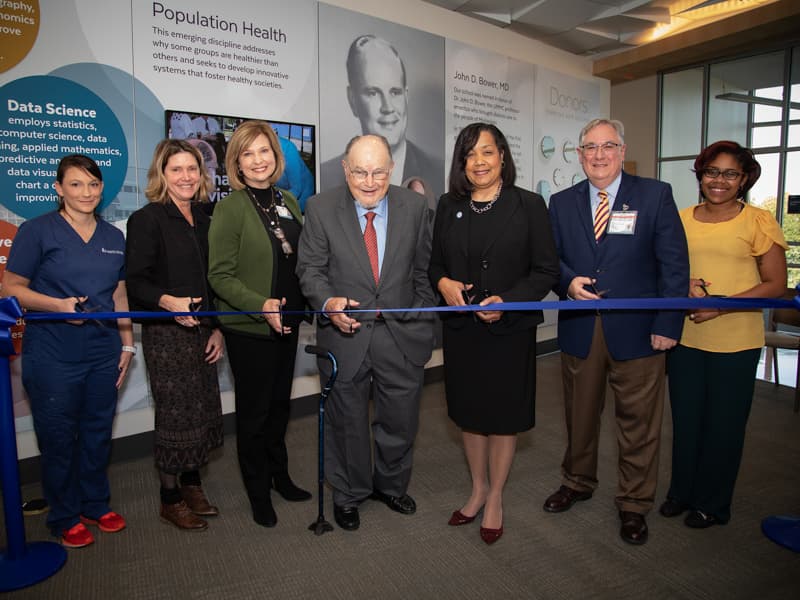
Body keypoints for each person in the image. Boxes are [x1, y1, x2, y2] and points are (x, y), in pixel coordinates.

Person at [546, 118, 689, 545]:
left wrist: (669, 323)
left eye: (608, 146)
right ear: (578, 154)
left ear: (623, 150)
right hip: (580, 329)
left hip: (642, 333)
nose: (599, 155)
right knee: (579, 416)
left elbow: (674, 265)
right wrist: (567, 282)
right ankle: (577, 481)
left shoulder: (655, 195)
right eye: (590, 147)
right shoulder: (560, 201)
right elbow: (549, 258)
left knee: (639, 424)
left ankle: (633, 503)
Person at [429, 123, 559, 544]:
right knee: (469, 414)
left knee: (502, 416)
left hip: (509, 330)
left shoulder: (530, 205)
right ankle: (477, 488)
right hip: (464, 331)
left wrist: (508, 300)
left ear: (503, 155)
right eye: (470, 154)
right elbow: (434, 266)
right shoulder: (449, 206)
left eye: (487, 152)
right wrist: (444, 284)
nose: (479, 162)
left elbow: (546, 270)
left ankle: (497, 495)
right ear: (461, 163)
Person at [297, 134, 435, 531]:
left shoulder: (416, 207)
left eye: (378, 172)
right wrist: (327, 304)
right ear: (345, 169)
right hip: (346, 336)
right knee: (346, 422)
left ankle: (391, 486)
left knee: (400, 420)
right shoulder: (320, 208)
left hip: (401, 337)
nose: (370, 181)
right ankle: (349, 493)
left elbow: (424, 270)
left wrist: (421, 316)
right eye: (360, 172)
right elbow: (310, 269)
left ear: (392, 170)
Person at [3, 154, 134, 548]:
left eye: (93, 184)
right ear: (59, 189)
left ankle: (95, 504)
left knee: (97, 432)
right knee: (59, 437)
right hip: (53, 352)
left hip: (102, 349)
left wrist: (128, 344)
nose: (86, 192)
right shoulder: (36, 231)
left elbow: (119, 293)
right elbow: (10, 288)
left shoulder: (114, 237)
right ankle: (63, 514)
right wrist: (57, 305)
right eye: (75, 184)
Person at [660, 141, 787, 528]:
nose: (719, 180)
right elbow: (665, 270)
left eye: (730, 173)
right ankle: (681, 492)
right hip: (686, 339)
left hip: (736, 341)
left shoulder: (758, 221)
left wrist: (720, 304)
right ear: (700, 174)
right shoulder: (678, 219)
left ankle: (712, 503)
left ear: (744, 179)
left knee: (724, 426)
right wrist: (684, 284)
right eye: (712, 171)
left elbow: (776, 284)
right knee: (685, 421)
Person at [207, 120, 310, 529]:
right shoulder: (230, 207)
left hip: (288, 324)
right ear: (237, 162)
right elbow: (219, 275)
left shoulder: (288, 200)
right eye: (247, 153)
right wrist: (260, 305)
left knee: (279, 409)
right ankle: (257, 490)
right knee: (254, 415)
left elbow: (298, 260)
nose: (257, 160)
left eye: (263, 151)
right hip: (250, 328)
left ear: (275, 155)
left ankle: (279, 475)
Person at [126, 139, 224, 532]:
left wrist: (217, 328)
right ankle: (170, 499)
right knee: (175, 418)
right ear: (161, 175)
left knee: (201, 412)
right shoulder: (147, 219)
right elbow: (136, 282)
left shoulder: (206, 217)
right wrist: (169, 302)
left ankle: (192, 484)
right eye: (176, 169)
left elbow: (214, 279)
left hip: (203, 333)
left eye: (192, 169)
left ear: (201, 175)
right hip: (167, 336)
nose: (186, 176)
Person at [319, 35, 444, 196]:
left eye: (395, 92)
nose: (388, 107)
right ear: (352, 99)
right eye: (373, 93)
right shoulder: (326, 178)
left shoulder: (439, 174)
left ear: (406, 96)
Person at [275, 135, 315, 211]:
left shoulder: (287, 149)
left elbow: (296, 189)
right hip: (283, 190)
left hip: (303, 194)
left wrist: (275, 200)